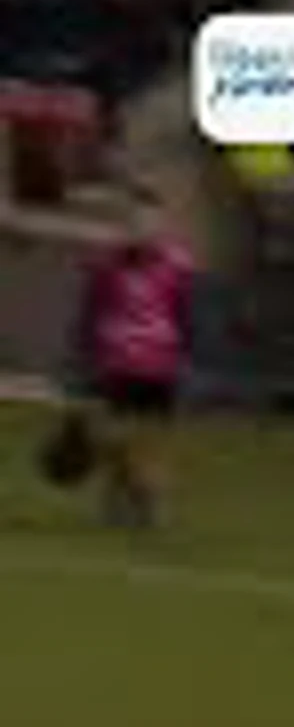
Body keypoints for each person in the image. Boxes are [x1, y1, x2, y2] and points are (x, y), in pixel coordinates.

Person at [68, 193, 193, 532]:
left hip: (158, 366)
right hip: (116, 362)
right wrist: (83, 357)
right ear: (124, 226)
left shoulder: (177, 266)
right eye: (136, 222)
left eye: (152, 221)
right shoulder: (106, 265)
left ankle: (138, 506)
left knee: (148, 442)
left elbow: (184, 315)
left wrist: (184, 357)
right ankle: (133, 499)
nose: (144, 228)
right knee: (112, 436)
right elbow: (90, 312)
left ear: (163, 226)